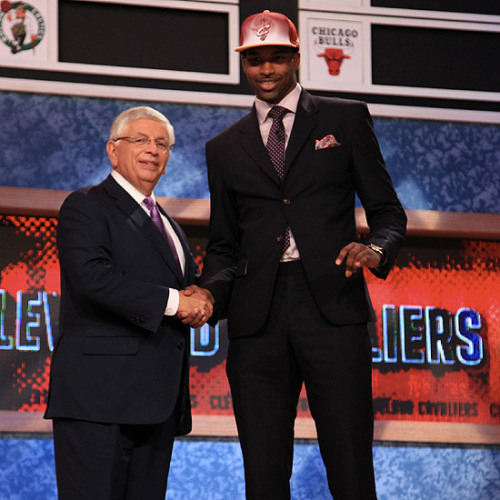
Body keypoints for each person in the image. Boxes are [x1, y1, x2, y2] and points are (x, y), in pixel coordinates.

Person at [198, 11, 407, 500]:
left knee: (350, 462)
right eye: (254, 61)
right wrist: (209, 295)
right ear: (243, 66)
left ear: (295, 57)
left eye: (275, 58)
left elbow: (388, 213)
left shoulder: (344, 118)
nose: (266, 70)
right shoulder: (223, 147)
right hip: (257, 320)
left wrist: (375, 249)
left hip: (332, 308)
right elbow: (224, 244)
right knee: (264, 470)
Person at [44, 106, 213, 499]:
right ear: (112, 150)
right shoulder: (86, 205)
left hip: (157, 406)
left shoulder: (169, 225)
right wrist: (177, 303)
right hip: (97, 402)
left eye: (161, 143)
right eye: (139, 140)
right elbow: (94, 278)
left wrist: (206, 296)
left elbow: (190, 290)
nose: (152, 150)